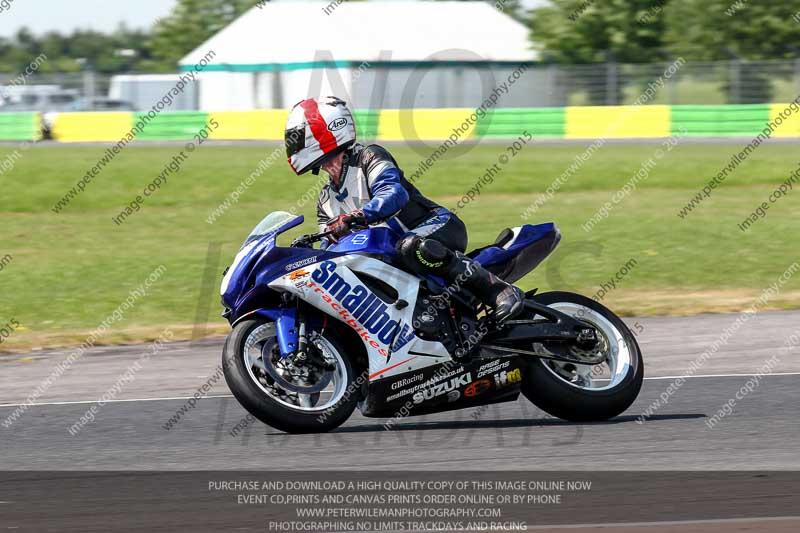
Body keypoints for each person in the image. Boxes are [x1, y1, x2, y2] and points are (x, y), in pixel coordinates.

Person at [284, 96, 523, 324]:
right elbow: (331, 252)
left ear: (327, 129)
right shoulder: (326, 198)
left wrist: (357, 217)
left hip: (434, 226)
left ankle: (500, 292)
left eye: (298, 137)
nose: (293, 145)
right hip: (389, 253)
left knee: (410, 247)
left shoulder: (369, 156)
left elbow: (394, 194)